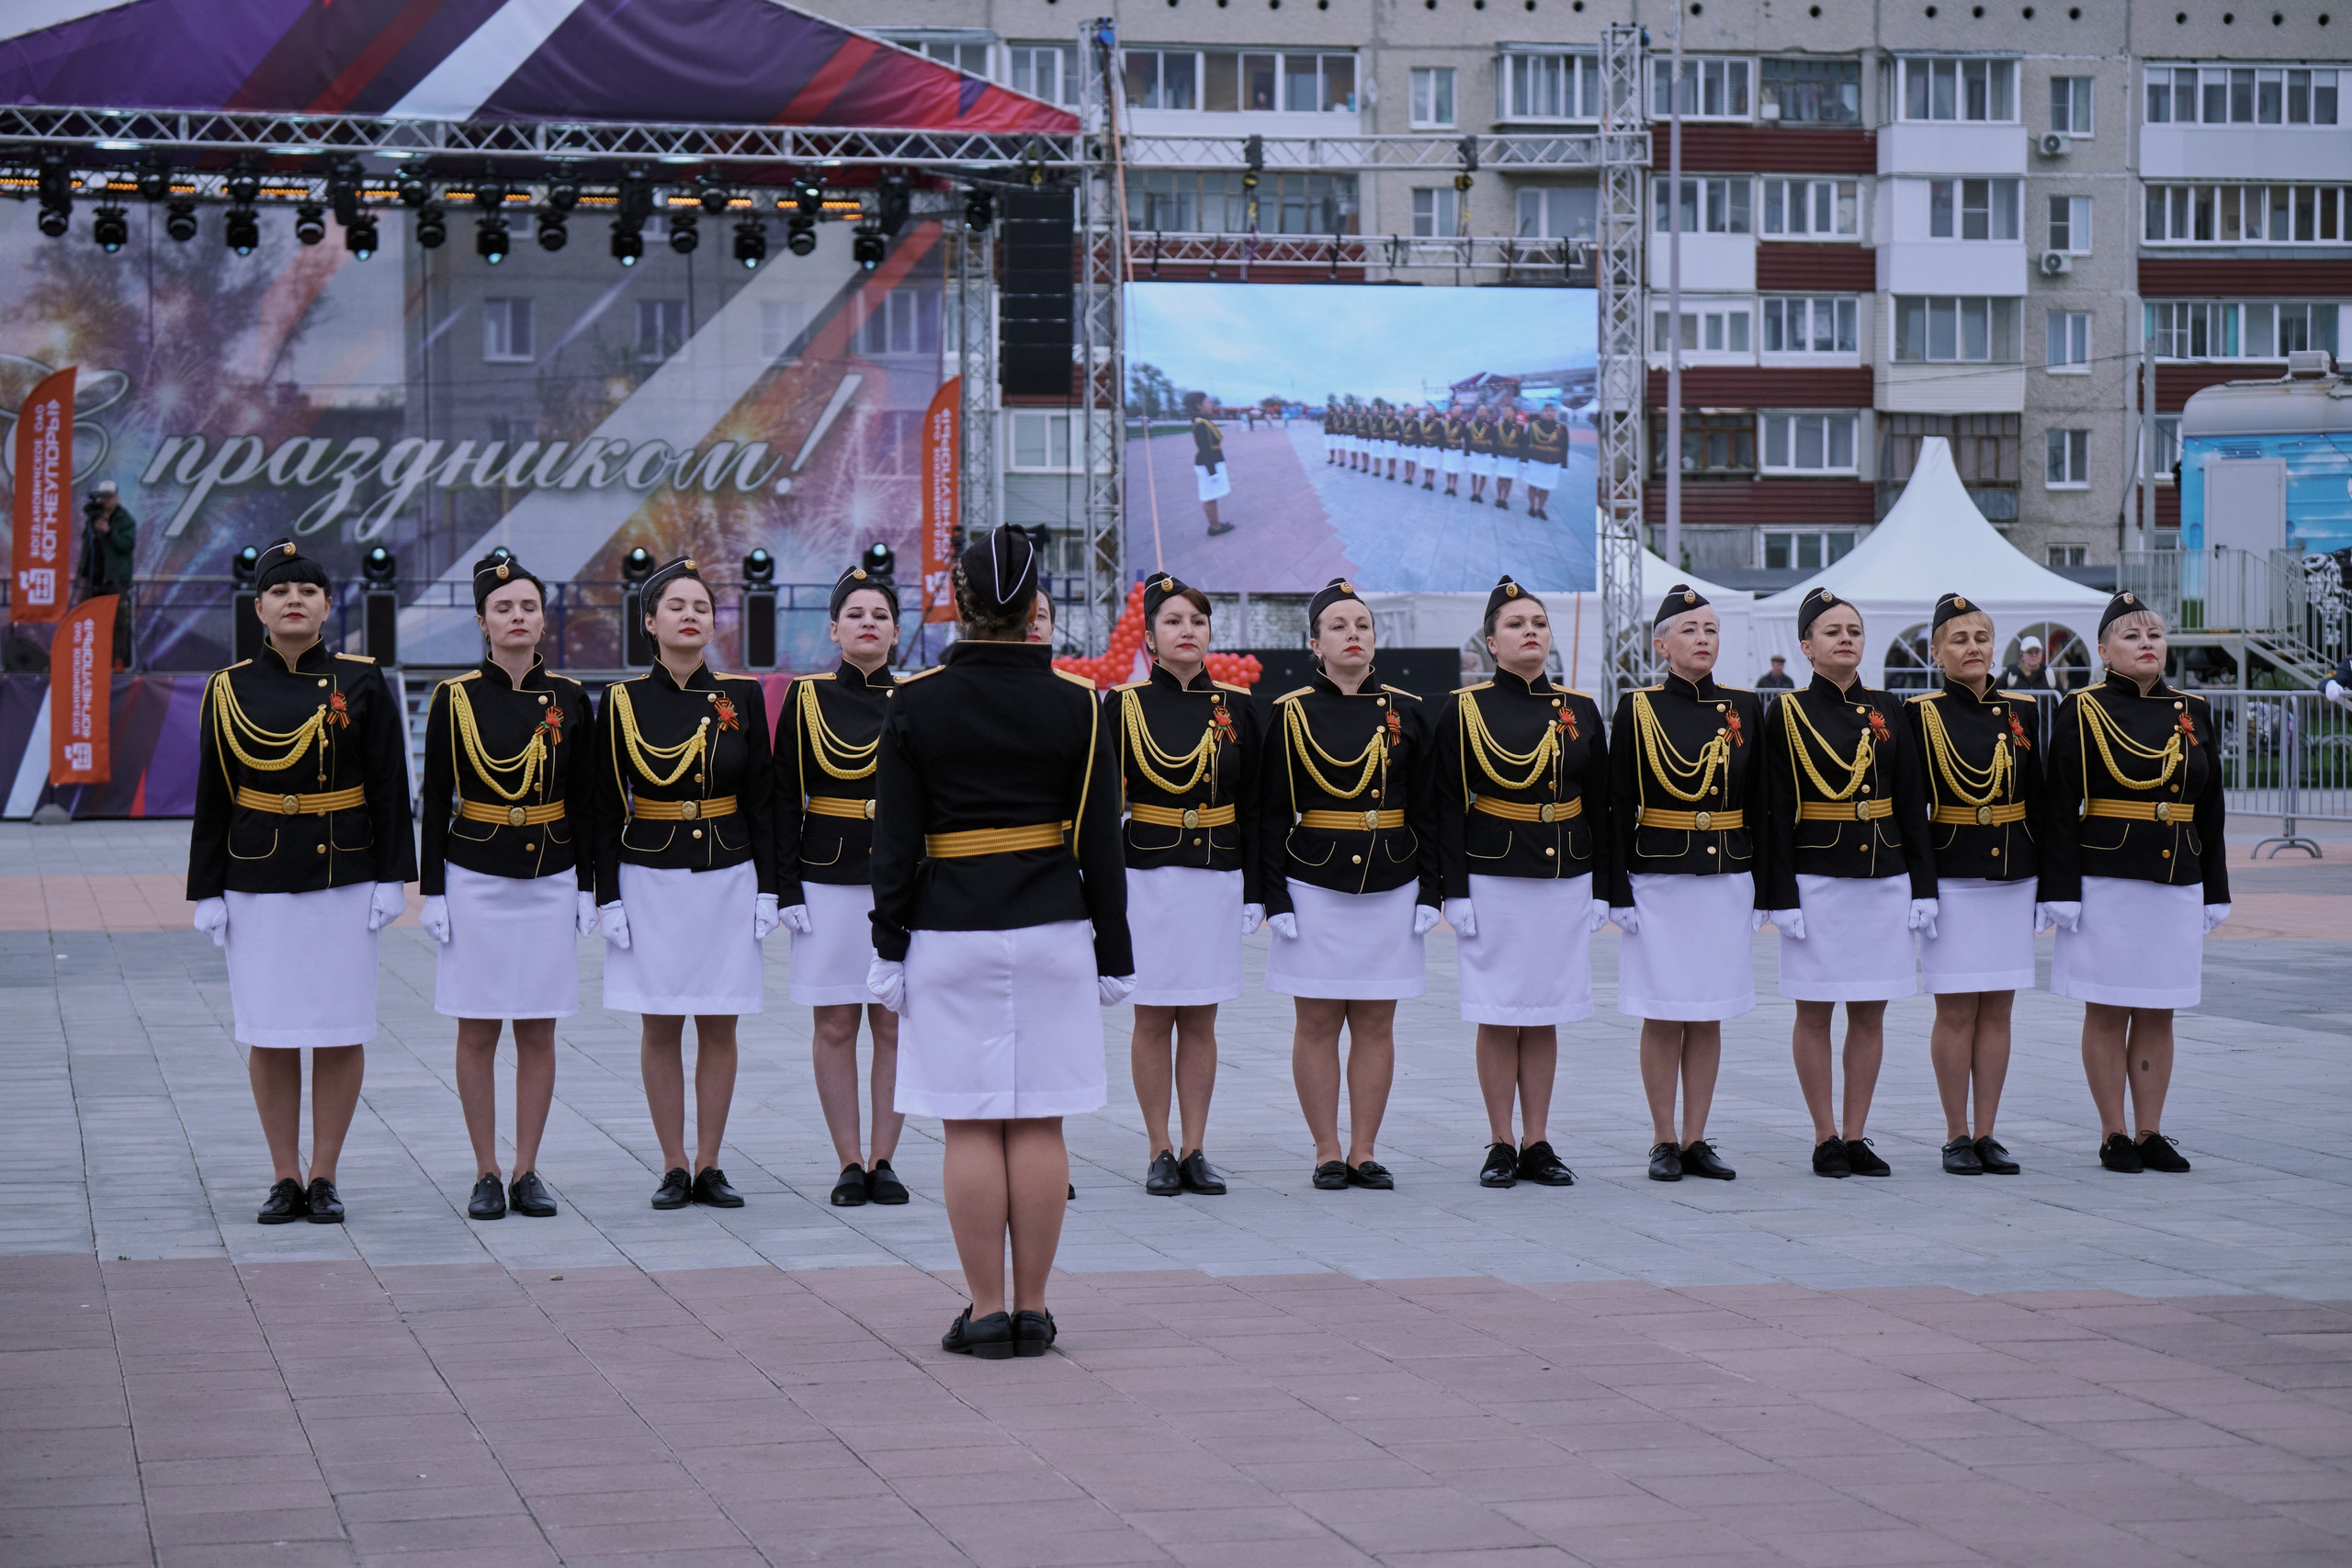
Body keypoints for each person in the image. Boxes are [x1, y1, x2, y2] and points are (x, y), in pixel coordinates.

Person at [867, 525, 1132, 1359]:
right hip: (1053, 925)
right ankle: (1036, 1306)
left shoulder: (913, 701)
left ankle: (985, 1310)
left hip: (950, 930)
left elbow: (894, 841)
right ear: (1031, 609)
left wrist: (887, 941)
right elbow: (1101, 840)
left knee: (971, 1124)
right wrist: (1115, 950)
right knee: (1039, 1122)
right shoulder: (1078, 702)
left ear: (961, 600)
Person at [187, 538, 413, 1225]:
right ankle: (284, 1174)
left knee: (342, 1028)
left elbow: (387, 782)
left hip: (343, 872)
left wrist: (393, 876)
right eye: (281, 592)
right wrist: (207, 886)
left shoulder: (362, 680)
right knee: (272, 1029)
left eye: (308, 592)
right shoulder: (230, 686)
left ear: (326, 606)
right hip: (257, 875)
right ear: (258, 608)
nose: (295, 600)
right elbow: (213, 792)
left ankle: (325, 1173)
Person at [593, 557, 779, 1211]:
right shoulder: (623, 701)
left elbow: (764, 798)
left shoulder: (742, 696)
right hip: (651, 876)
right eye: (676, 605)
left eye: (701, 605)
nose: (691, 615)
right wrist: (606, 893)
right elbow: (605, 804)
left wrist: (771, 887)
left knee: (720, 1023)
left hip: (728, 872)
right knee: (662, 1022)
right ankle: (673, 1162)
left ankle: (709, 1161)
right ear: (649, 621)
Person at [417, 554, 596, 1221]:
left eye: (527, 606)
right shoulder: (455, 696)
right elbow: (434, 798)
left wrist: (587, 885)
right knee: (477, 1027)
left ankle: (527, 1168)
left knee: (539, 1028)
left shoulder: (572, 699)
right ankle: (485, 1169)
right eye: (503, 608)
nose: (516, 617)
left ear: (543, 618)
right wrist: (432, 888)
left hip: (550, 874)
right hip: (475, 873)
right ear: (483, 621)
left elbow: (587, 797)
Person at [1261, 579, 1442, 1191]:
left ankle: (1364, 1148)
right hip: (1313, 881)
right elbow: (1270, 811)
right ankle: (1325, 1148)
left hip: (1391, 878)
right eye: (1338, 626)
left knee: (1375, 1021)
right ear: (1315, 643)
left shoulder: (1408, 710)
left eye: (1362, 624)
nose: (1354, 634)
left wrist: (1433, 890)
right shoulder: (1289, 712)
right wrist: (1274, 896)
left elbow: (1429, 807)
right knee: (1315, 1021)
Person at [2042, 591, 2230, 1174]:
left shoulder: (2193, 709)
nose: (2147, 644)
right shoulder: (2082, 707)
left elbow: (2212, 807)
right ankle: (2113, 1132)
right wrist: (2062, 888)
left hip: (2177, 872)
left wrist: (2216, 886)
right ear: (2103, 651)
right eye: (2131, 636)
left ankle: (2150, 1130)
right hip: (2107, 877)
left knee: (2160, 1009)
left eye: (2154, 634)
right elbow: (2058, 804)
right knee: (2108, 1008)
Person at [1437, 577, 1610, 1189]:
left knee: (1544, 1011)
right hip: (1494, 875)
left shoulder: (1580, 708)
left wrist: (1606, 887)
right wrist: (1451, 890)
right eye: (1515, 623)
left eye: (1538, 620)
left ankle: (1537, 1139)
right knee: (1498, 1010)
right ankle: (1500, 1140)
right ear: (1490, 641)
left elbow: (1601, 804)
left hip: (1564, 872)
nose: (1530, 630)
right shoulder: (1466, 708)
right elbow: (1446, 805)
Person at [1758, 589, 1936, 1179]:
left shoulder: (1890, 707)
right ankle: (1824, 1135)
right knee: (1814, 1012)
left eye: (1854, 630)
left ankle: (1857, 1133)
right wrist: (1779, 895)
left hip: (1881, 877)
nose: (1845, 639)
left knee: (1869, 1011)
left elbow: (1912, 803)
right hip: (1816, 879)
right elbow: (1774, 810)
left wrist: (1923, 886)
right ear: (1806, 647)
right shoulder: (1784, 712)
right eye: (1831, 631)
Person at [1606, 586, 1766, 1183]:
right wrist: (1616, 888)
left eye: (1712, 629)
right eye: (1691, 629)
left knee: (1708, 1011)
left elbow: (1761, 806)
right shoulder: (1639, 707)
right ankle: (1663, 1137)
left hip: (1725, 874)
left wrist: (1768, 888)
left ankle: (1697, 1136)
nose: (1704, 639)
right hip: (1660, 877)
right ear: (1662, 643)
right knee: (1663, 1010)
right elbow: (1618, 802)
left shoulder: (1746, 707)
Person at [1114, 574, 1263, 1196]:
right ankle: (1158, 1146)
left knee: (1201, 1016)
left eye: (1198, 622)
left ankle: (1197, 1146)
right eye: (1174, 621)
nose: (1188, 631)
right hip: (1147, 877)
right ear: (1150, 637)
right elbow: (1101, 805)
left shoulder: (1236, 707)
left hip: (1214, 875)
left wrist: (1257, 889)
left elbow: (1255, 804)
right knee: (1153, 1016)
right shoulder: (1121, 707)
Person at [777, 566, 907, 1208]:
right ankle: (848, 1160)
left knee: (892, 1022)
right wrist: (785, 889)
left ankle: (886, 1158)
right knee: (834, 1023)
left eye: (879, 615)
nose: (867, 623)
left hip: (897, 878)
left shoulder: (914, 697)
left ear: (895, 631)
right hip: (825, 875)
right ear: (834, 628)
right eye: (855, 614)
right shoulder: (807, 698)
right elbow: (781, 798)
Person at [1905, 592, 2047, 1176]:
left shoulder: (2023, 709)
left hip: (2013, 873)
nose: (1972, 648)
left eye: (1982, 638)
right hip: (1954, 872)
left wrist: (2049, 883)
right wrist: (1921, 887)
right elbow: (1912, 808)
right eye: (1959, 640)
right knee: (1957, 1008)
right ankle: (1956, 1133)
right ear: (1937, 653)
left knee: (2000, 1009)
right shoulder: (1920, 713)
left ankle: (1988, 1131)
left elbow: (2039, 799)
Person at [79, 479, 136, 668]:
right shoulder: (93, 519)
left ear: (116, 498)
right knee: (87, 619)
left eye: (109, 497)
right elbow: (87, 546)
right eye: (103, 497)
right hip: (94, 578)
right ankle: (89, 659)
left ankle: (118, 661)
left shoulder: (125, 520)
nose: (105, 501)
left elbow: (127, 545)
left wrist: (110, 532)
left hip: (115, 579)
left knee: (118, 621)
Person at [1187, 392, 1234, 538]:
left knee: (1212, 495)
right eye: (1207, 403)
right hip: (1208, 463)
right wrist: (1212, 472)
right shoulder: (1201, 424)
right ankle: (1215, 527)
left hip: (1212, 462)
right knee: (1209, 496)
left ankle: (1216, 524)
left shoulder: (1203, 421)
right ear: (1199, 406)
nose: (1210, 405)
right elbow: (1205, 449)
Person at [1523, 405, 1566, 520]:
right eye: (1546, 410)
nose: (1549, 413)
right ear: (1541, 412)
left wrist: (1564, 465)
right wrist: (1524, 460)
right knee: (1532, 485)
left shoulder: (1561, 428)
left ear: (1556, 413)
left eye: (1552, 410)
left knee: (1546, 487)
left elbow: (1564, 447)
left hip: (1552, 462)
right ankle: (1532, 507)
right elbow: (1526, 443)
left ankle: (1541, 508)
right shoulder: (1533, 426)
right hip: (1536, 459)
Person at [1493, 409, 1524, 512]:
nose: (1506, 413)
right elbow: (1495, 441)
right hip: (1501, 454)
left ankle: (1504, 499)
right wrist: (1494, 456)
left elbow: (1522, 443)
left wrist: (1522, 458)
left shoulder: (1520, 426)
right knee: (1500, 478)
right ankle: (1499, 498)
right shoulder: (1499, 425)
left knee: (1509, 479)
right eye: (1505, 411)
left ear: (1514, 413)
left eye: (1508, 411)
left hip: (1513, 456)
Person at [1466, 405, 1498, 504]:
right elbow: (1467, 439)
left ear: (1487, 412)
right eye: (1479, 409)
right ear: (1476, 411)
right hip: (1474, 450)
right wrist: (1467, 453)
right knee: (1474, 473)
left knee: (1484, 474)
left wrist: (1493, 455)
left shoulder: (1491, 425)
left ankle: (1479, 493)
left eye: (1484, 410)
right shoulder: (1471, 424)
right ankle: (1474, 492)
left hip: (1486, 452)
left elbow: (1494, 440)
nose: (1481, 411)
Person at [1441, 405, 1466, 497]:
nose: (1456, 412)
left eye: (1459, 411)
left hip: (1457, 448)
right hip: (1448, 448)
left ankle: (1453, 487)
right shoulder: (1447, 422)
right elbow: (1442, 436)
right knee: (1448, 469)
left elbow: (1466, 437)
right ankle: (1448, 486)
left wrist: (1466, 451)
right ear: (1451, 412)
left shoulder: (1463, 423)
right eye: (1455, 410)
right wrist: (1441, 447)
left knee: (1456, 469)